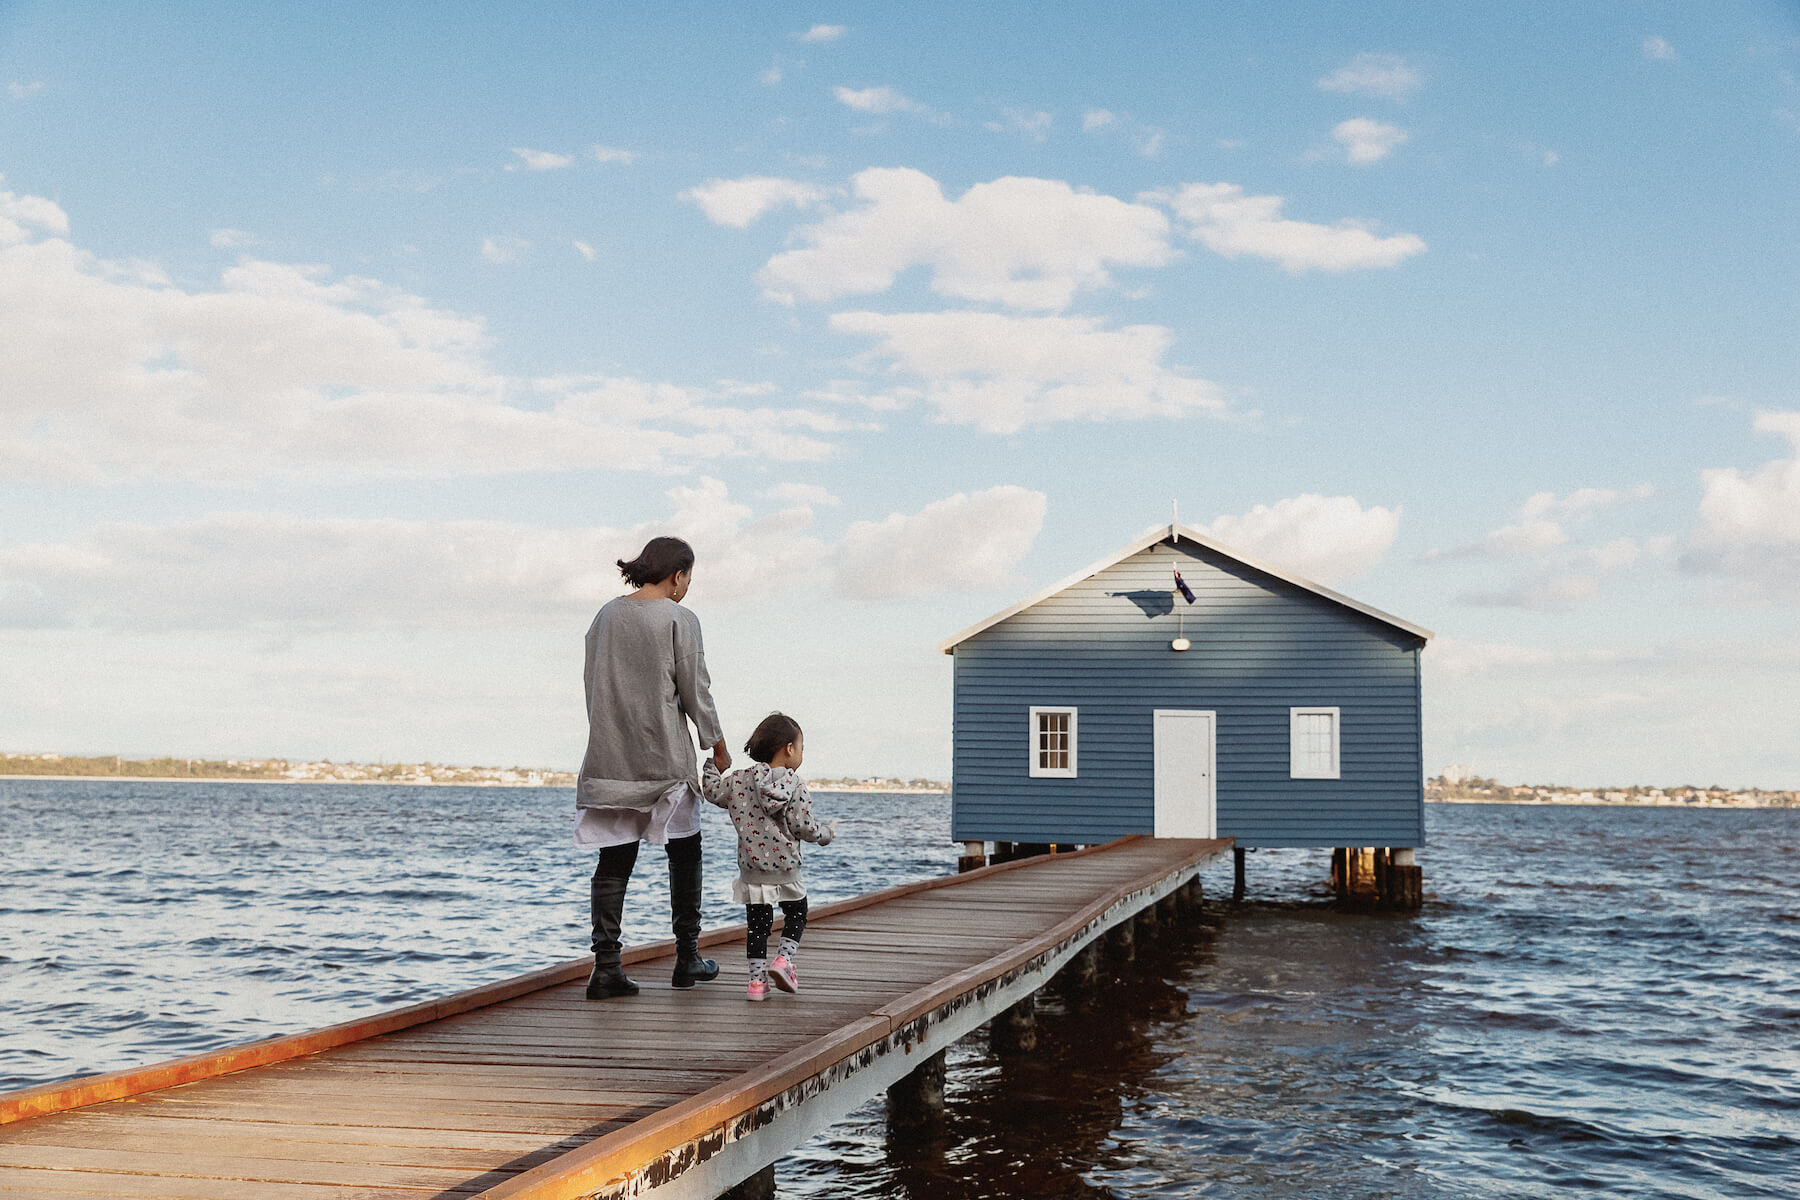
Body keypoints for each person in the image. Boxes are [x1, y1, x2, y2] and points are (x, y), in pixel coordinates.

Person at [576, 535, 731, 999]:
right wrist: (717, 746)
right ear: (678, 574)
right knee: (685, 852)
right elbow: (695, 690)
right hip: (664, 757)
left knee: (614, 857)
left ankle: (605, 968)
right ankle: (687, 959)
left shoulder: (605, 615)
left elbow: (593, 683)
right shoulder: (680, 618)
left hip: (610, 757)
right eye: (689, 578)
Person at [702, 712, 835, 1002]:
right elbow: (803, 826)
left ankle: (756, 985)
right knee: (797, 913)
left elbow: (711, 791)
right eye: (801, 747)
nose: (801, 754)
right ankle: (784, 962)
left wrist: (714, 764)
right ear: (789, 749)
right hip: (786, 868)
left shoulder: (738, 781)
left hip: (753, 870)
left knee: (758, 926)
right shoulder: (794, 785)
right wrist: (825, 834)